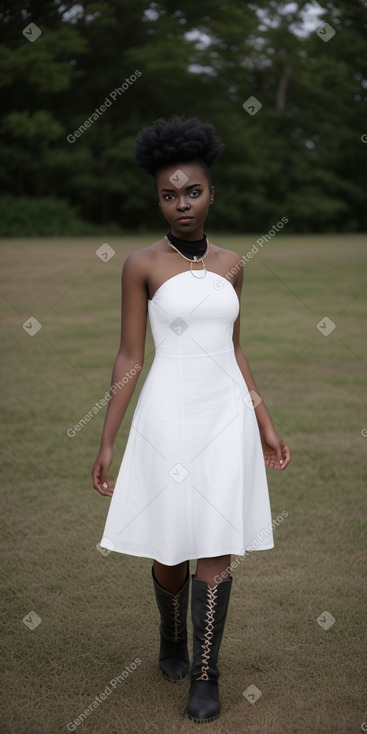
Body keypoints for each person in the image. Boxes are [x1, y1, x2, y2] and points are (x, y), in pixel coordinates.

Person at [91, 114, 290, 724]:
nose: (181, 203)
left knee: (215, 546)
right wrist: (108, 439)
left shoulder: (232, 263)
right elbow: (131, 354)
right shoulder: (141, 264)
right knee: (170, 552)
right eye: (169, 195)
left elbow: (234, 348)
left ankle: (206, 674)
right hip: (168, 418)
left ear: (211, 191)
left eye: (192, 191)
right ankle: (170, 636)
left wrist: (263, 418)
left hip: (224, 418)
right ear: (159, 198)